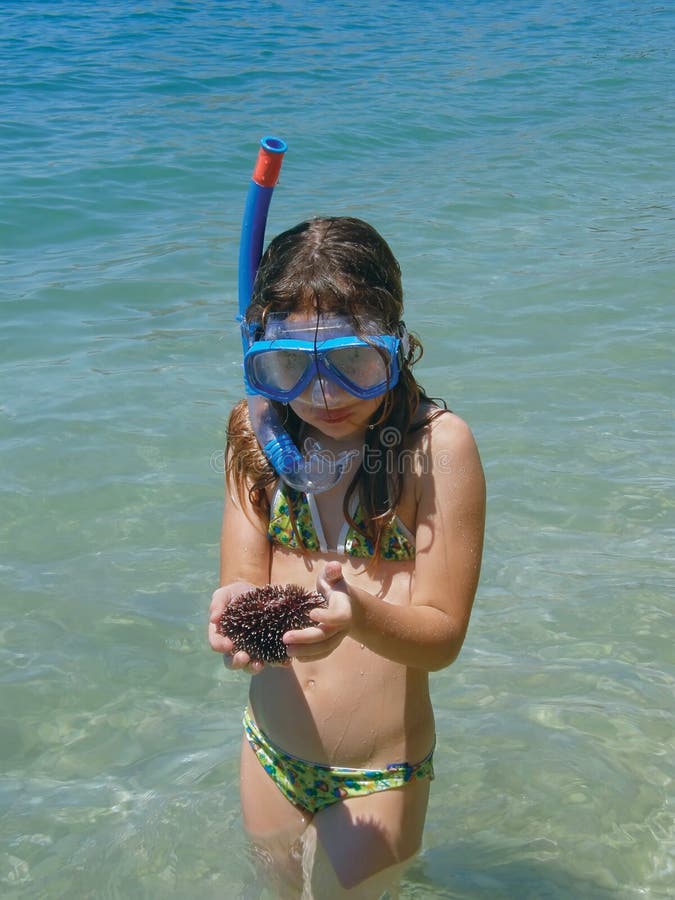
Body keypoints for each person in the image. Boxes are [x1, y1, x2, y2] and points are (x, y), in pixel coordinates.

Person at [209, 216, 485, 899]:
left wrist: (358, 613)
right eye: (289, 367)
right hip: (269, 749)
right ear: (260, 357)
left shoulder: (434, 450)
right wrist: (232, 616)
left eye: (353, 361)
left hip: (378, 772)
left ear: (395, 345)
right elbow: (241, 579)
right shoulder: (254, 434)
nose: (324, 394)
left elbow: (441, 640)